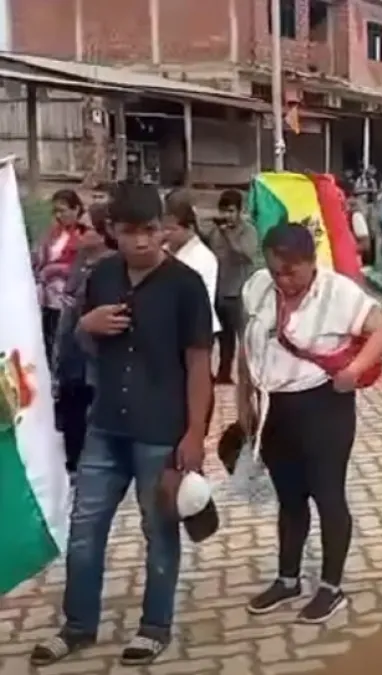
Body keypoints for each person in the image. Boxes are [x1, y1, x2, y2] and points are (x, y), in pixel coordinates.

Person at [30, 182, 214, 667]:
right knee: (85, 528)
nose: (142, 243)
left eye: (151, 231)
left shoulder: (186, 285)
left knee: (160, 530)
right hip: (105, 426)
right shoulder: (102, 276)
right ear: (112, 231)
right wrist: (87, 326)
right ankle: (77, 626)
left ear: (163, 230)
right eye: (130, 233)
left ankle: (154, 626)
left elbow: (199, 364)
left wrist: (196, 434)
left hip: (161, 431)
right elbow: (84, 348)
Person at [238, 223, 382, 623]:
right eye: (275, 270)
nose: (282, 280)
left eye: (291, 271)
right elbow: (248, 342)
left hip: (323, 406)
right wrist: (244, 397)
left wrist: (356, 369)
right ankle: (287, 577)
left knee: (328, 496)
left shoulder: (339, 292)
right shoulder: (258, 287)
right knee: (289, 499)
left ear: (311, 262)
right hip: (274, 407)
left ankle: (330, 586)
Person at [52, 203, 114, 475]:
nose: (78, 233)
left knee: (86, 418)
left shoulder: (111, 270)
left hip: (90, 361)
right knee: (68, 415)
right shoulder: (80, 262)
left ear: (103, 234)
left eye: (85, 228)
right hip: (69, 354)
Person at [200, 189, 259, 384]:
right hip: (220, 291)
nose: (228, 216)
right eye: (224, 211)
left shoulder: (248, 230)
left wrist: (229, 237)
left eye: (231, 211)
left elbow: (246, 254)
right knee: (223, 339)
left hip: (240, 292)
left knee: (244, 338)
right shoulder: (216, 232)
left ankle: (250, 375)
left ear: (239, 211)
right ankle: (224, 374)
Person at [163, 191, 221, 340]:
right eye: (164, 228)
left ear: (189, 227)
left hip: (194, 330)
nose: (166, 233)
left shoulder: (202, 258)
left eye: (172, 229)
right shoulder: (164, 250)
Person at [35, 189, 86, 357]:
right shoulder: (54, 233)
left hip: (66, 297)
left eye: (62, 210)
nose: (58, 215)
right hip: (46, 296)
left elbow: (78, 266)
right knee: (45, 337)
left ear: (76, 209)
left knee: (60, 339)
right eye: (55, 211)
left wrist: (53, 270)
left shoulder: (83, 234)